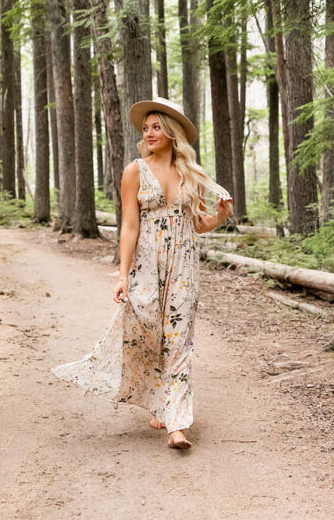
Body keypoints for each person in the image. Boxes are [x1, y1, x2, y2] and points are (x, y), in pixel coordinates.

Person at [53, 97, 233, 450]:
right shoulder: (134, 170)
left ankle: (177, 426)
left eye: (156, 127)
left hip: (183, 269)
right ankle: (158, 401)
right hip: (146, 267)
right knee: (148, 336)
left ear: (171, 133)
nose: (148, 133)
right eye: (146, 128)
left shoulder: (191, 175)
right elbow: (129, 228)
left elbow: (197, 224)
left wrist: (222, 216)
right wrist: (122, 276)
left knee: (179, 342)